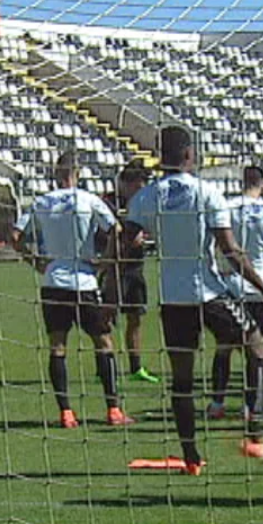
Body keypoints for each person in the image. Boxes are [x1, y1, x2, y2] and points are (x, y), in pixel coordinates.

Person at [123, 126, 263, 475]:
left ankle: (191, 457)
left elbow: (124, 244)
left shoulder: (146, 197)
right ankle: (254, 432)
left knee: (182, 380)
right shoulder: (206, 192)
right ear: (188, 155)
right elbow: (231, 251)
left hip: (173, 300)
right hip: (209, 293)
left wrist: (107, 280)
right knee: (256, 346)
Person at [16, 152, 134, 429]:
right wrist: (105, 262)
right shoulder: (89, 200)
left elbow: (15, 237)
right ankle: (113, 409)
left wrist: (34, 262)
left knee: (58, 346)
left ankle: (66, 412)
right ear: (78, 173)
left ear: (56, 174)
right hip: (84, 280)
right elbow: (117, 231)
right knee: (103, 342)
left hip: (53, 281)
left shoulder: (42, 202)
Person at [209, 165, 263, 419]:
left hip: (231, 285)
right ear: (262, 184)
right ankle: (251, 407)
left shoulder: (227, 206)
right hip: (259, 288)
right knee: (256, 348)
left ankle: (217, 403)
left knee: (224, 347)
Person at [101, 159, 161, 384]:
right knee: (106, 317)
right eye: (139, 183)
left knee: (135, 317)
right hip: (115, 267)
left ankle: (136, 367)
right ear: (126, 183)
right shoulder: (108, 202)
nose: (142, 187)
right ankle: (105, 367)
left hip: (135, 266)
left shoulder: (142, 203)